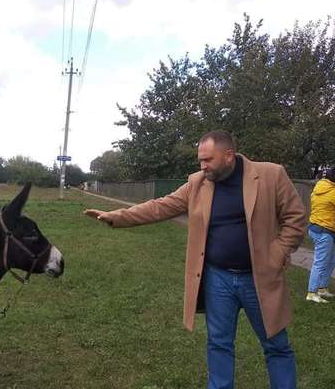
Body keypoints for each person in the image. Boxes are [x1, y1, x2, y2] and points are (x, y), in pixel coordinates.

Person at [84, 130, 305, 389]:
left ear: (229, 156)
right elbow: (160, 206)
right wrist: (117, 217)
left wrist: (278, 253)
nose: (203, 166)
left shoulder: (271, 175)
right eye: (200, 160)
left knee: (276, 345)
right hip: (218, 278)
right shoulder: (198, 183)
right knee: (219, 344)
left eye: (208, 160)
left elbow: (296, 218)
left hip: (260, 278)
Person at [306, 167, 335, 303]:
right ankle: (311, 293)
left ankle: (322, 288)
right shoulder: (334, 192)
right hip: (324, 231)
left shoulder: (318, 188)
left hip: (316, 228)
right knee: (320, 263)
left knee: (332, 260)